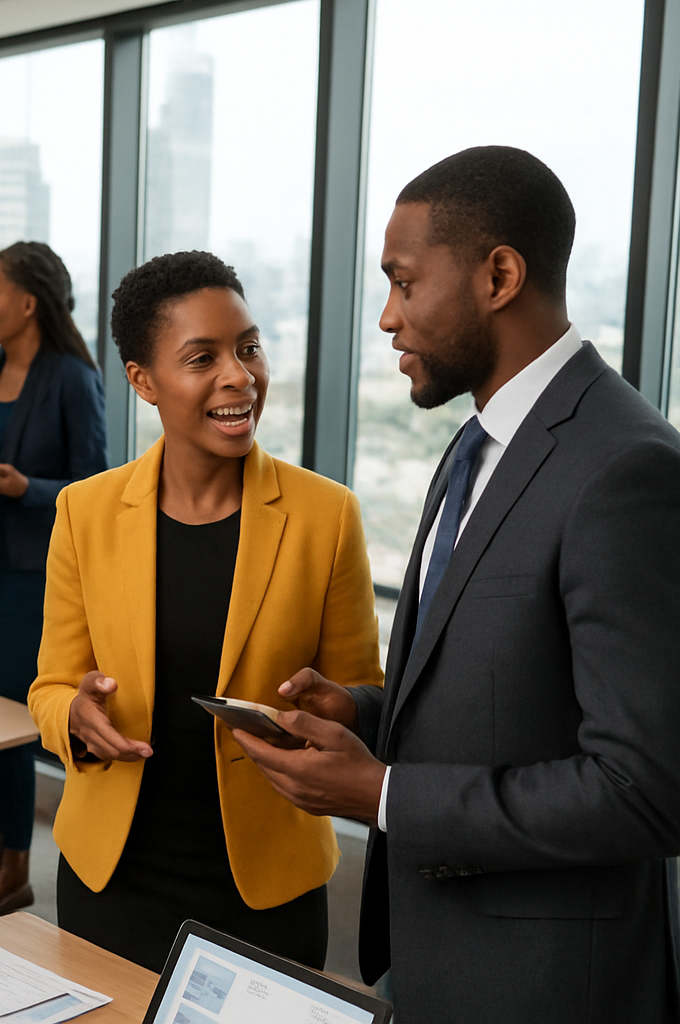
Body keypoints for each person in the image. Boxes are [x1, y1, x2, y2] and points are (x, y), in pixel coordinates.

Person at [235, 147, 680, 1022]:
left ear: (499, 275)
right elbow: (507, 685)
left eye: (403, 283)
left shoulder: (628, 469)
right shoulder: (478, 437)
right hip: (434, 951)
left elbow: (647, 790)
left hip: (544, 986)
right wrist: (362, 712)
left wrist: (382, 793)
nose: (386, 318)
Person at [28, 250, 384, 972]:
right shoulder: (85, 511)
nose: (240, 376)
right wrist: (75, 717)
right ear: (143, 381)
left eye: (249, 347)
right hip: (114, 875)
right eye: (203, 357)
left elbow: (366, 695)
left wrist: (337, 706)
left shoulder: (326, 516)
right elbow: (50, 687)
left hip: (266, 884)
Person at [0, 241, 107, 918]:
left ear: (27, 300)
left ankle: (20, 861)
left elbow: (97, 485)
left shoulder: (73, 377)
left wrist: (27, 489)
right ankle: (10, 846)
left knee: (25, 719)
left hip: (38, 579)